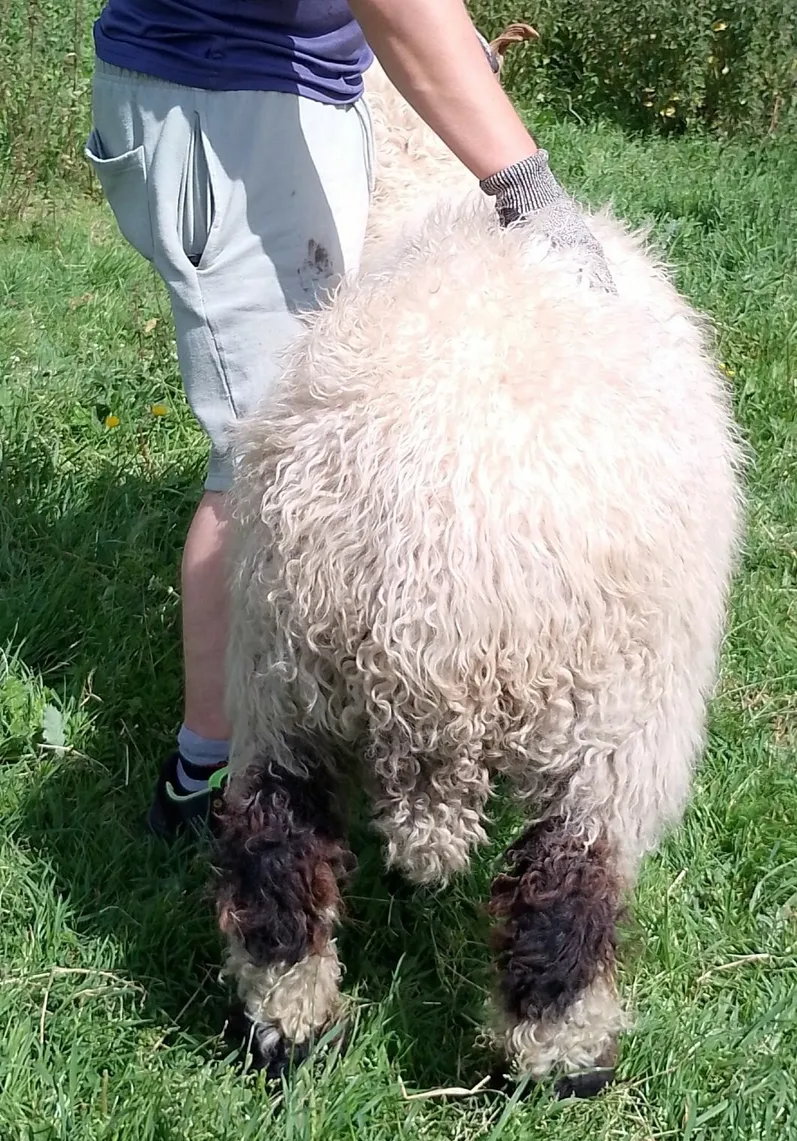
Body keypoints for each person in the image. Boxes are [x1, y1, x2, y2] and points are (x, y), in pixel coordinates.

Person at [86, 0, 613, 838]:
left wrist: (452, 47)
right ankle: (208, 766)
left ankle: (326, 694)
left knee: (312, 434)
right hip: (228, 108)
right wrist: (525, 186)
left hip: (279, 96)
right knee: (261, 463)